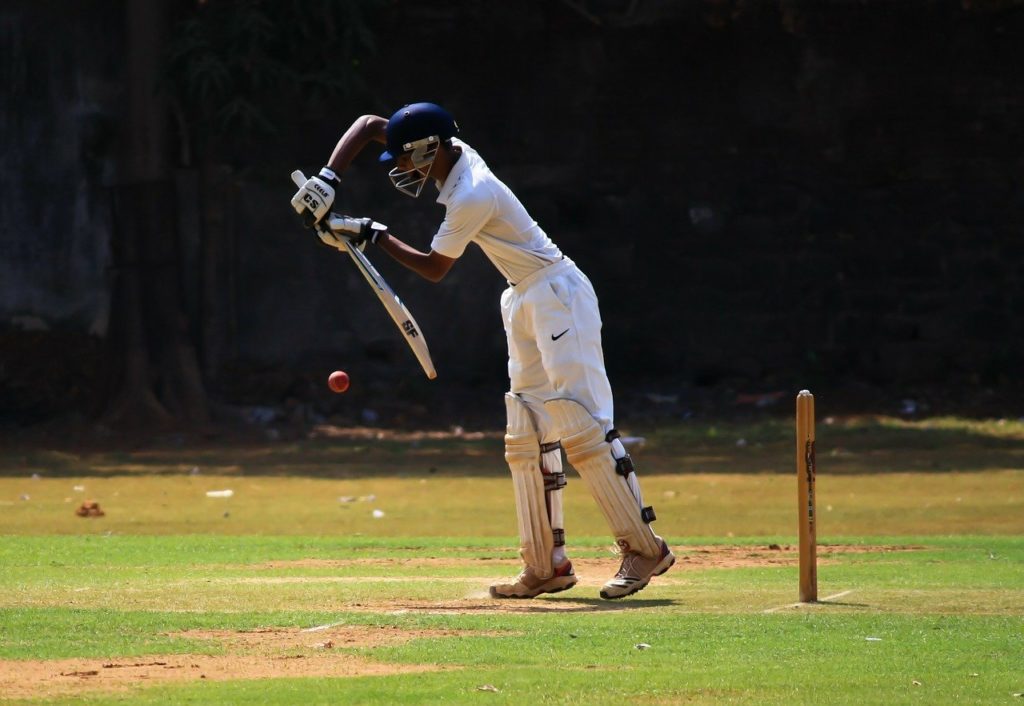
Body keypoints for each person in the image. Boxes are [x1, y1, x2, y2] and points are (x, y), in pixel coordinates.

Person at [290, 102, 674, 599]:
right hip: (521, 296)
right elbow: (367, 126)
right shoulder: (446, 148)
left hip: (559, 294)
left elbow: (434, 267)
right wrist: (327, 179)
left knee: (583, 427)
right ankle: (546, 565)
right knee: (527, 433)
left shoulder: (471, 193)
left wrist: (370, 233)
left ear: (429, 150)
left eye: (405, 161)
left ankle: (645, 549)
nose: (401, 170)